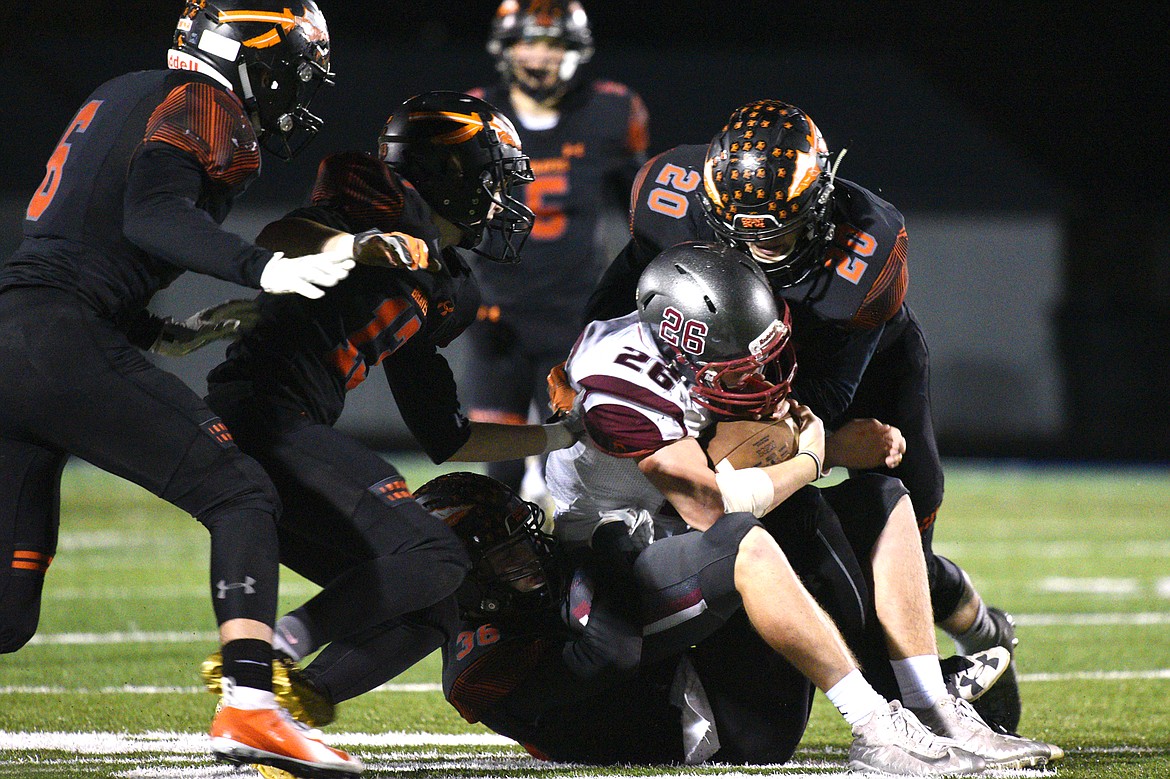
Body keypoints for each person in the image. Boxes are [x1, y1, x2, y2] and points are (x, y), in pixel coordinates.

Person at [0, 2, 363, 777]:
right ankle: (251, 707)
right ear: (251, 53)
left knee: (5, 612)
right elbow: (151, 214)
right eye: (294, 67)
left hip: (18, 333)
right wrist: (263, 267)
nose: (296, 89)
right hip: (60, 339)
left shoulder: (124, 88)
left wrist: (152, 332)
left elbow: (78, 235)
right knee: (239, 492)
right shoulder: (207, 99)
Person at [584, 98, 1023, 730]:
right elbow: (629, 278)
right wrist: (585, 356)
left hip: (850, 365)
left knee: (902, 551)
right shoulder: (668, 193)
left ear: (818, 204)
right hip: (732, 369)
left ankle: (980, 632)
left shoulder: (867, 241)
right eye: (738, 231)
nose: (754, 247)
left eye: (776, 232)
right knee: (769, 533)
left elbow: (833, 387)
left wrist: (822, 444)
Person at [543, 242, 1057, 771]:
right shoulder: (621, 387)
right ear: (683, 355)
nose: (763, 382)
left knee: (880, 500)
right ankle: (877, 725)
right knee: (770, 546)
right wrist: (816, 455)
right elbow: (712, 508)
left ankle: (931, 708)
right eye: (743, 372)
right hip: (624, 574)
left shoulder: (692, 349)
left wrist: (821, 448)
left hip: (705, 556)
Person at [196, 90, 581, 726]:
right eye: (496, 178)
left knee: (436, 596)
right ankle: (265, 653)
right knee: (435, 556)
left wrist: (557, 437)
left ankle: (280, 722)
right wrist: (357, 245)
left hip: (294, 428)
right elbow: (280, 239)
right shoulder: (382, 199)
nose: (505, 198)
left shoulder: (449, 284)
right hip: (263, 414)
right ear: (448, 171)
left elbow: (446, 436)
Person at [428, 470, 1022, 770]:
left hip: (690, 669)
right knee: (744, 542)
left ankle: (917, 693)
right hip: (714, 725)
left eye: (522, 540)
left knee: (866, 498)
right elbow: (609, 652)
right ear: (461, 575)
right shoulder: (477, 666)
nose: (528, 558)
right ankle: (881, 718)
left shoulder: (534, 588)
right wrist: (606, 541)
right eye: (503, 553)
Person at [463, 0, 650, 501]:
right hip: (494, 312)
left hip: (574, 316)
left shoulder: (609, 112)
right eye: (529, 41)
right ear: (506, 49)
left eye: (553, 43)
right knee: (495, 466)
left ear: (575, 51)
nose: (540, 56)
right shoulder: (474, 117)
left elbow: (644, 212)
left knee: (568, 466)